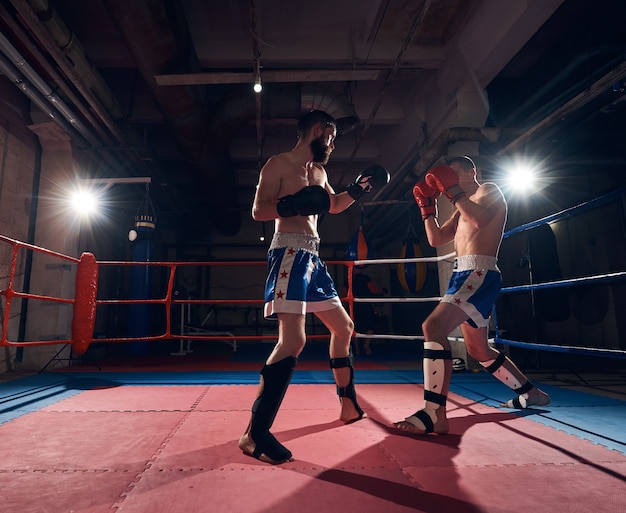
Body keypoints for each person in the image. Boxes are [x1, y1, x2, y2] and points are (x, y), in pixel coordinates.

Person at [239, 110, 389, 463]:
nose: (333, 143)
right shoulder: (277, 164)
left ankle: (348, 406)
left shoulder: (319, 172)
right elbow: (258, 211)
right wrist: (291, 204)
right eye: (332, 135)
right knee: (293, 339)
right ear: (318, 130)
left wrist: (357, 189)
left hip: (313, 257)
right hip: (288, 250)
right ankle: (254, 434)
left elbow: (333, 205)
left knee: (344, 326)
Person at [394, 156, 550, 436]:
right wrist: (427, 210)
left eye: (451, 176)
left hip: (478, 272)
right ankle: (532, 393)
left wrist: (453, 193)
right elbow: (436, 240)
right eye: (445, 180)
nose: (447, 184)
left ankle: (434, 413)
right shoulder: (459, 204)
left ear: (471, 171)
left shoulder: (488, 190)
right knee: (478, 350)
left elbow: (479, 220)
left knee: (433, 327)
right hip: (463, 275)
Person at [351, 267, 385, 355]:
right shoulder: (365, 278)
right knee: (370, 326)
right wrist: (382, 290)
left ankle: (357, 348)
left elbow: (344, 293)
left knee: (356, 327)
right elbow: (373, 290)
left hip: (354, 305)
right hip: (365, 305)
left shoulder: (348, 279)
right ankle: (366, 345)